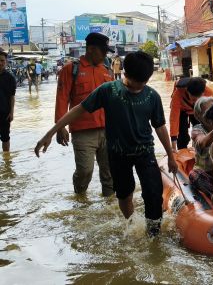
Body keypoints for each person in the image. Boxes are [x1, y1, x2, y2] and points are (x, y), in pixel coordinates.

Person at [35, 51, 177, 237]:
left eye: (144, 83)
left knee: (153, 193)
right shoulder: (108, 91)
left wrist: (171, 156)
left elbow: (160, 127)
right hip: (117, 155)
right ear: (125, 74)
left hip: (145, 152)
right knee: (124, 194)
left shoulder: (152, 96)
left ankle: (154, 234)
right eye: (136, 82)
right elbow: (78, 110)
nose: (139, 87)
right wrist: (50, 132)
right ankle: (132, 224)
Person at [55, 32, 115, 197]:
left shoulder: (107, 71)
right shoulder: (70, 70)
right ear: (91, 49)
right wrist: (60, 128)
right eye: (103, 51)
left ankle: (109, 206)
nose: (105, 55)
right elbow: (61, 99)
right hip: (82, 132)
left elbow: (115, 100)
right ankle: (80, 198)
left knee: (109, 173)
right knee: (85, 171)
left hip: (108, 130)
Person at [169, 77, 213, 150]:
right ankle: (181, 150)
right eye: (193, 99)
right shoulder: (177, 94)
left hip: (198, 109)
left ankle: (197, 148)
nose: (195, 102)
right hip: (182, 110)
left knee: (202, 129)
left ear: (203, 93)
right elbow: (174, 119)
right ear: (187, 91)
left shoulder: (208, 93)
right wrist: (173, 147)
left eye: (198, 99)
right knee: (182, 136)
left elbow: (212, 116)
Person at [190, 96, 213, 177]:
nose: (210, 115)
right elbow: (202, 143)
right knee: (194, 175)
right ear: (198, 116)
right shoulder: (197, 129)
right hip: (205, 173)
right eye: (206, 113)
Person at [0, 51, 16, 152]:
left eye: (2, 61)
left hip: (4, 113)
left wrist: (11, 112)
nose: (0, 63)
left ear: (6, 62)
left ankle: (7, 162)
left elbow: (12, 96)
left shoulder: (10, 78)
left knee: (5, 137)